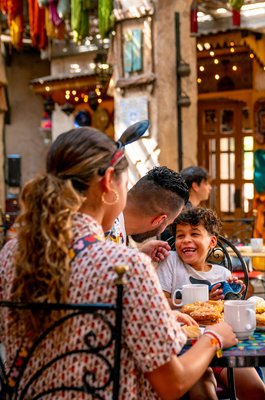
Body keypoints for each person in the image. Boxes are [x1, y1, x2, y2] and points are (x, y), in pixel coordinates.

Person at [0, 126, 238, 399]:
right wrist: (215, 337)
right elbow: (172, 383)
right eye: (126, 185)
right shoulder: (127, 267)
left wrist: (157, 316)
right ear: (108, 183)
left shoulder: (11, 254)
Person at [157, 207, 265, 400]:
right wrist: (202, 302)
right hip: (186, 348)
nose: (186, 240)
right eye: (180, 235)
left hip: (223, 348)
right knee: (203, 389)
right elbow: (160, 303)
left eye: (195, 234)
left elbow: (231, 313)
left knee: (255, 389)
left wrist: (235, 294)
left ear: (212, 241)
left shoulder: (221, 273)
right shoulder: (171, 262)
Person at [106, 166, 189, 262]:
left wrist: (138, 254)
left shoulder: (104, 214)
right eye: (168, 224)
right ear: (159, 220)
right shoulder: (107, 236)